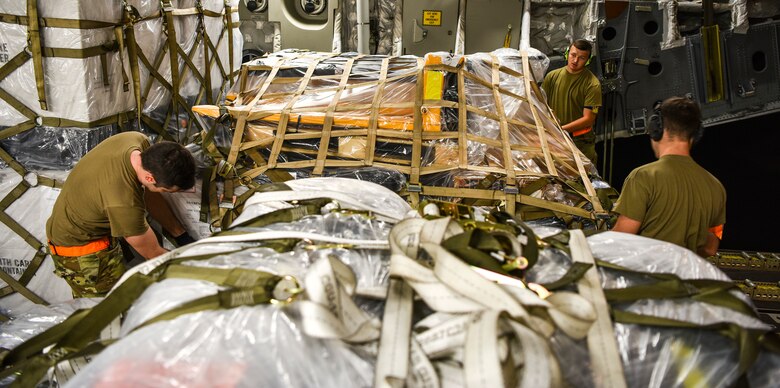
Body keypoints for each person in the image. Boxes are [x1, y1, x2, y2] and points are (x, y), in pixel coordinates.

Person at [46, 132, 197, 297]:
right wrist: (200, 274)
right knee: (112, 309)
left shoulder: (137, 142)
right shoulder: (123, 201)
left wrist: (181, 236)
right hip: (82, 251)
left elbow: (149, 193)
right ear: (150, 177)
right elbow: (153, 254)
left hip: (91, 220)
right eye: (167, 190)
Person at [612, 96, 725, 257]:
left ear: (657, 130)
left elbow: (620, 240)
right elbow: (710, 248)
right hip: (689, 279)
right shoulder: (716, 187)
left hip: (650, 278)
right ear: (695, 134)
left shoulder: (643, 177)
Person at [542, 39, 602, 165]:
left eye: (581, 58)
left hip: (580, 144)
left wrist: (560, 130)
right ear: (567, 54)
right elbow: (541, 105)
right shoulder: (552, 77)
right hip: (554, 141)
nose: (575, 61)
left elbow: (588, 119)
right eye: (573, 55)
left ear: (588, 60)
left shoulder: (592, 84)